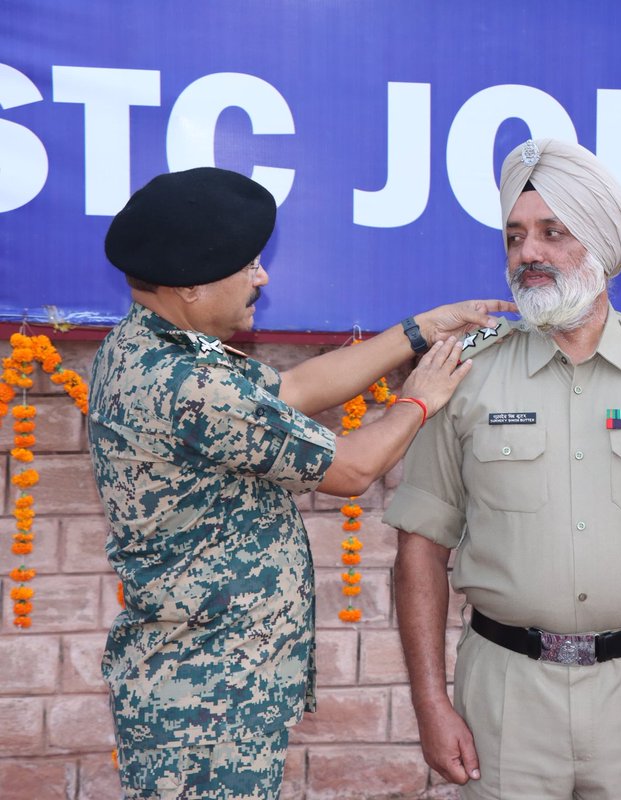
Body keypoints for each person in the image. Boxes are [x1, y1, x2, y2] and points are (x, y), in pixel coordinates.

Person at [88, 166, 512, 799]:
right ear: (192, 287)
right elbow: (352, 468)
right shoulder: (190, 384)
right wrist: (419, 400)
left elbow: (291, 389)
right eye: (247, 266)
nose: (262, 277)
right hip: (209, 700)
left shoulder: (148, 344)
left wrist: (419, 329)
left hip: (199, 678)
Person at [385, 138, 621, 799]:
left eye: (553, 233)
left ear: (602, 246)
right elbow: (420, 548)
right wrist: (430, 702)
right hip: (506, 696)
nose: (528, 253)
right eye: (515, 236)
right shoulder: (461, 375)